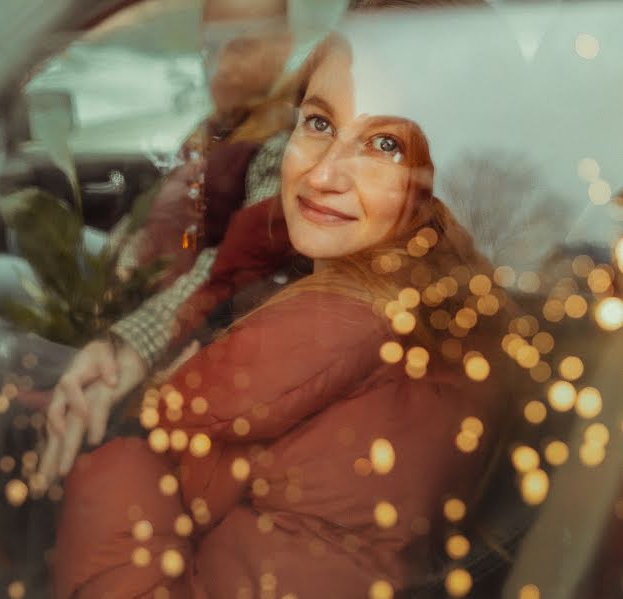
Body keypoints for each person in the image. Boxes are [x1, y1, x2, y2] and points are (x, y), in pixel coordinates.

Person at [51, 32, 517, 598]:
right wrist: (125, 354)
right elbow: (214, 285)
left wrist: (117, 457)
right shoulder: (299, 256)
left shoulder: (390, 410)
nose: (322, 175)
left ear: (445, 178)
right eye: (319, 124)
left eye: (386, 145)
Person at [37, 0, 297, 477]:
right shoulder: (211, 133)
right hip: (129, 299)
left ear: (284, 48)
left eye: (240, 46)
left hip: (174, 332)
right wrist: (96, 288)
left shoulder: (283, 144)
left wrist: (129, 342)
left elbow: (235, 262)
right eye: (209, 49)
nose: (220, 65)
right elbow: (144, 222)